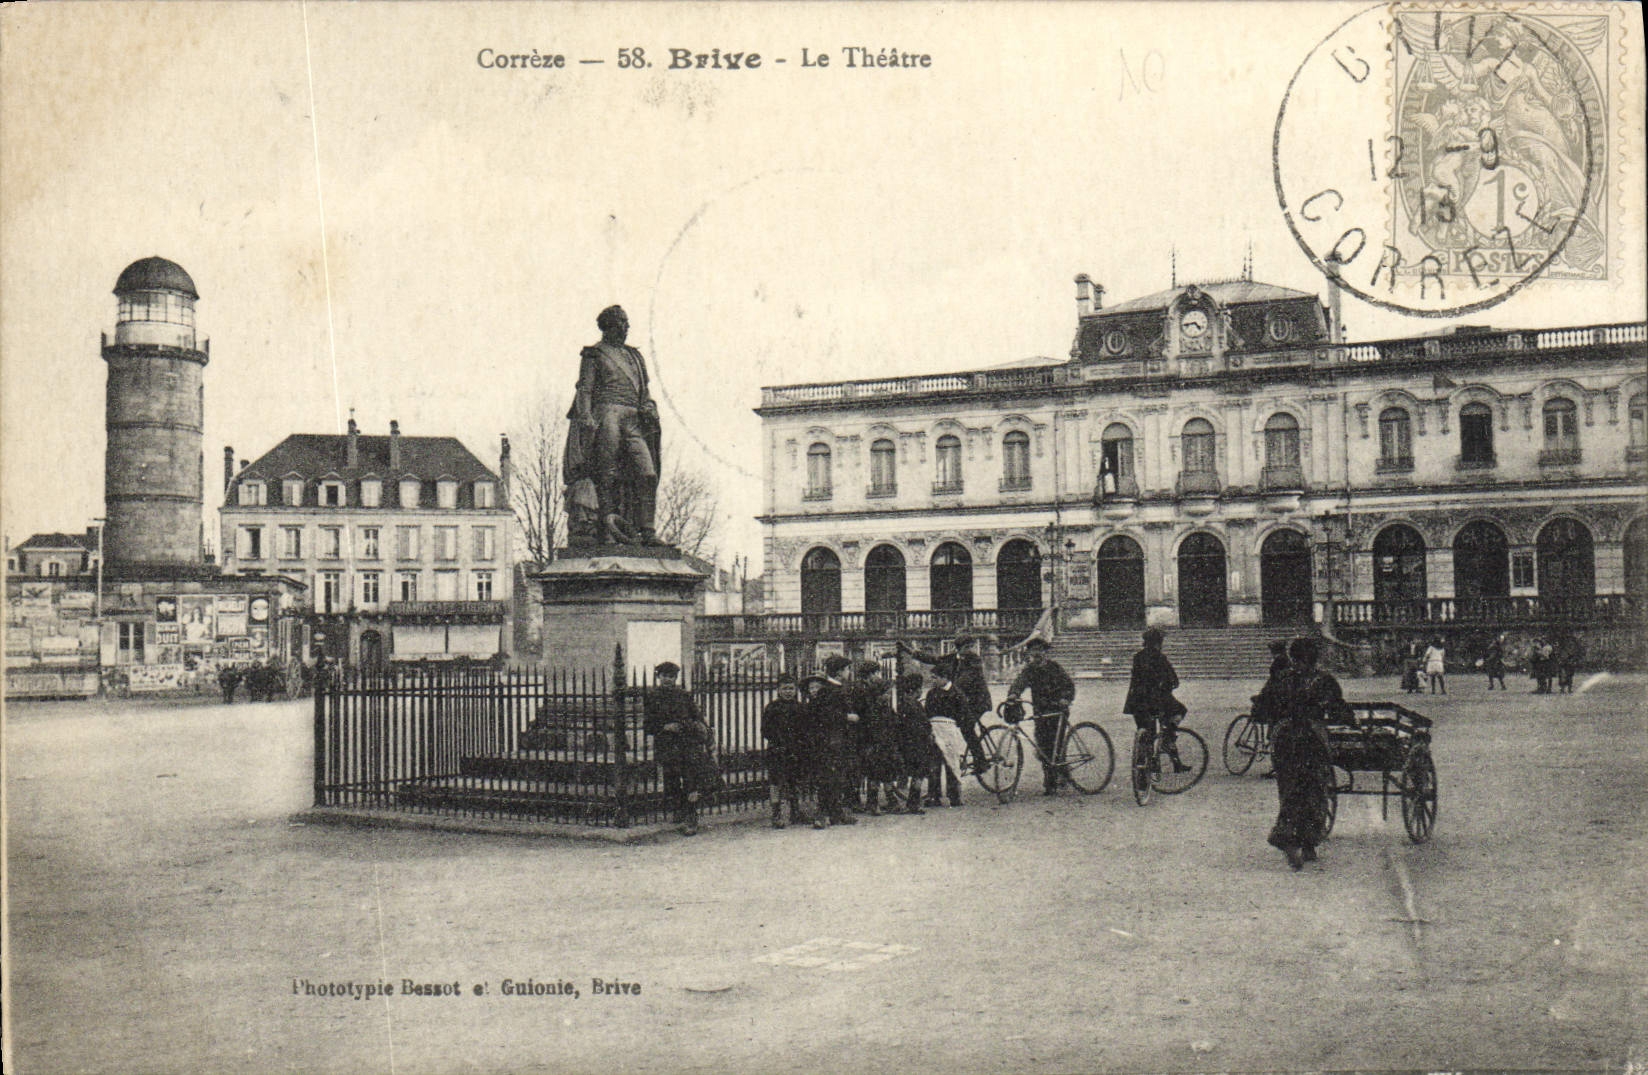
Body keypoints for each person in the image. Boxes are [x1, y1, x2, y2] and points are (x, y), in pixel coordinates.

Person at [563, 305, 661, 546]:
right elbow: (585, 390)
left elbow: (645, 392)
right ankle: (607, 530)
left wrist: (649, 407)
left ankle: (647, 531)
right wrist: (586, 417)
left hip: (634, 418)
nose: (627, 327)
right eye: (622, 323)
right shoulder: (594, 354)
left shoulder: (635, 356)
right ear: (609, 326)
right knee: (608, 475)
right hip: (607, 414)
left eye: (626, 323)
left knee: (647, 473)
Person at [1267, 637, 1344, 871]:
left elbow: (1261, 708)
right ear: (1316, 658)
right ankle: (1302, 839)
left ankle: (1293, 837)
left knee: (1290, 789)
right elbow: (1339, 709)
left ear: (1292, 657)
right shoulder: (1324, 680)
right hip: (1311, 741)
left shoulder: (1281, 678)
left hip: (1282, 740)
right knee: (1314, 789)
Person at [642, 662, 720, 836]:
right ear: (659, 677)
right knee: (671, 781)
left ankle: (691, 816)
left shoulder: (684, 695)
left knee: (691, 780)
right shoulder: (652, 697)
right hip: (666, 744)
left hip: (687, 743)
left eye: (671, 676)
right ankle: (679, 810)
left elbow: (698, 718)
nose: (668, 679)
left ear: (676, 678)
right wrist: (664, 727)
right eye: (664, 676)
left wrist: (706, 736)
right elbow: (647, 725)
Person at [901, 635, 991, 775]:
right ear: (959, 648)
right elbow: (934, 660)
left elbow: (965, 680)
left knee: (966, 727)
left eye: (971, 647)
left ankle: (981, 762)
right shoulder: (953, 657)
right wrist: (910, 651)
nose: (970, 650)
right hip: (960, 699)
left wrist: (948, 687)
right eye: (966, 647)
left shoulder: (975, 661)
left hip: (977, 701)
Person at [1005, 637, 1077, 795]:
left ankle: (1053, 780)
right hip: (1040, 712)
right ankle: (1055, 777)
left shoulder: (1054, 668)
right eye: (1034, 651)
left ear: (1045, 652)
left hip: (1058, 710)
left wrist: (1065, 699)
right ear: (1030, 653)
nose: (1037, 654)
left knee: (1055, 745)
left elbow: (1069, 686)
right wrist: (1014, 694)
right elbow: (1019, 682)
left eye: (1040, 650)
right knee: (1042, 746)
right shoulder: (1030, 670)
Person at [1123, 627, 1189, 773]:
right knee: (1178, 713)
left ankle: (1145, 766)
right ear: (1159, 643)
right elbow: (1174, 681)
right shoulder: (1160, 658)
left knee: (1146, 732)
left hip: (1137, 702)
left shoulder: (1137, 657)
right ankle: (1169, 746)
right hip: (1157, 701)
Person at [805, 656, 860, 829]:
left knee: (838, 776)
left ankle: (836, 812)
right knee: (828, 777)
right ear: (839, 672)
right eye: (847, 669)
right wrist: (847, 717)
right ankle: (823, 814)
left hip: (839, 739)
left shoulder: (837, 688)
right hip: (830, 740)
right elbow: (824, 715)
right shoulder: (828, 690)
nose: (849, 672)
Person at [760, 673, 809, 829]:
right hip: (777, 750)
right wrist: (779, 741)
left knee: (794, 780)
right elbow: (765, 730)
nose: (788, 692)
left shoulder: (800, 707)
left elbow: (805, 729)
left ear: (796, 690)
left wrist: (800, 743)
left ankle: (795, 811)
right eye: (785, 688)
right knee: (775, 782)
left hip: (795, 750)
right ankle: (776, 814)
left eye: (791, 688)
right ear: (778, 690)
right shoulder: (772, 708)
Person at [858, 669, 905, 815]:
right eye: (886, 693)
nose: (889, 696)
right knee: (875, 776)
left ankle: (890, 801)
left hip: (887, 746)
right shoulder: (872, 711)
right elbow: (870, 729)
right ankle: (873, 803)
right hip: (876, 746)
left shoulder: (886, 709)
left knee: (887, 775)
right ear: (878, 695)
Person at [1250, 639, 1291, 778]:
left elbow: (1273, 684)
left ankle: (1277, 767)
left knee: (1274, 733)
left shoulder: (1279, 663)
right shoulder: (1288, 661)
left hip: (1278, 703)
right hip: (1284, 701)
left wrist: (1261, 696)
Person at [893, 672, 932, 815]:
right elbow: (922, 725)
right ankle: (913, 803)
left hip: (908, 743)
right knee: (918, 775)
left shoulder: (903, 703)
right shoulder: (915, 705)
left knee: (916, 774)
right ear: (915, 690)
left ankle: (912, 802)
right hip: (918, 744)